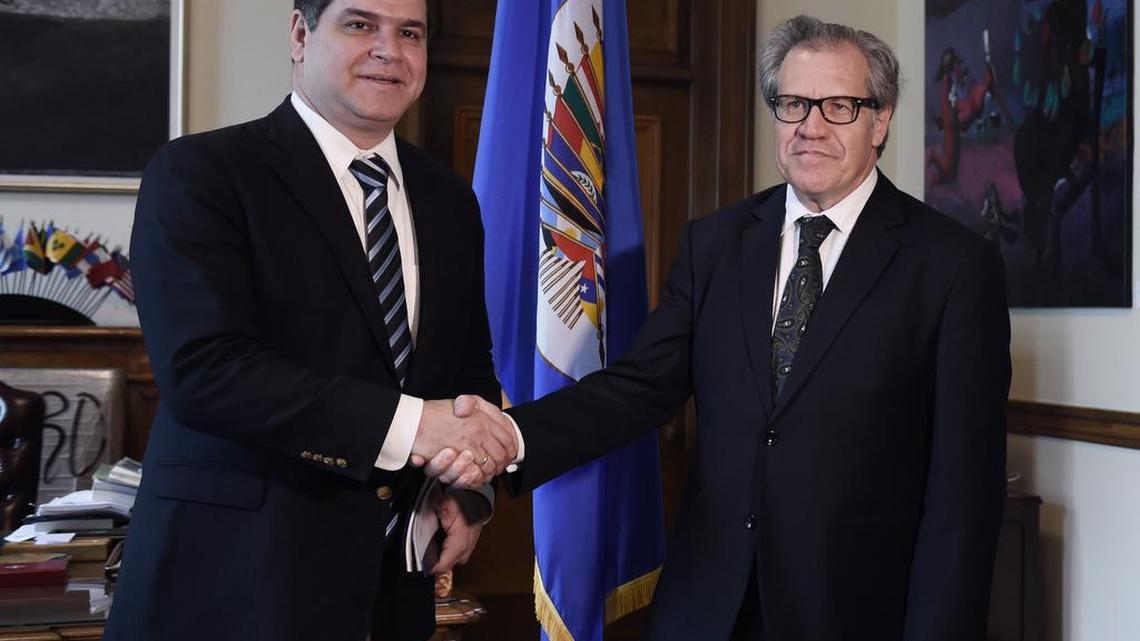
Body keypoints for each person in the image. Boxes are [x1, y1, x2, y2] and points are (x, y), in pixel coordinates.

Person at [429, 14, 1011, 641]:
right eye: (792, 103)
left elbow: (964, 498)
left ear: (881, 119)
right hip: (708, 609)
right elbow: (638, 388)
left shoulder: (952, 266)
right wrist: (512, 436)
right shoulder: (717, 243)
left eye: (839, 106)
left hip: (857, 613)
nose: (810, 126)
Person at [104, 1, 516, 640]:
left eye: (410, 33)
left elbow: (468, 371)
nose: (389, 50)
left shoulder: (448, 198)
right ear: (300, 35)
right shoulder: (202, 173)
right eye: (360, 24)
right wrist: (415, 427)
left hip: (391, 591)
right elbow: (204, 372)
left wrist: (467, 494)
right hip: (233, 584)